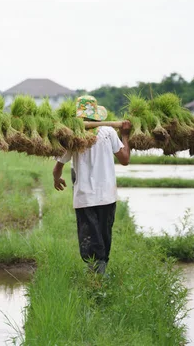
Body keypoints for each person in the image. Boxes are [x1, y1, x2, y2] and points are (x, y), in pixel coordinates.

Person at [52, 95, 130, 274]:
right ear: (97, 115)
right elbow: (124, 159)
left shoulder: (72, 137)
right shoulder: (108, 132)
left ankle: (96, 278)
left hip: (84, 198)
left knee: (90, 240)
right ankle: (98, 278)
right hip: (107, 197)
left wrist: (57, 179)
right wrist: (125, 135)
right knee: (104, 237)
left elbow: (57, 168)